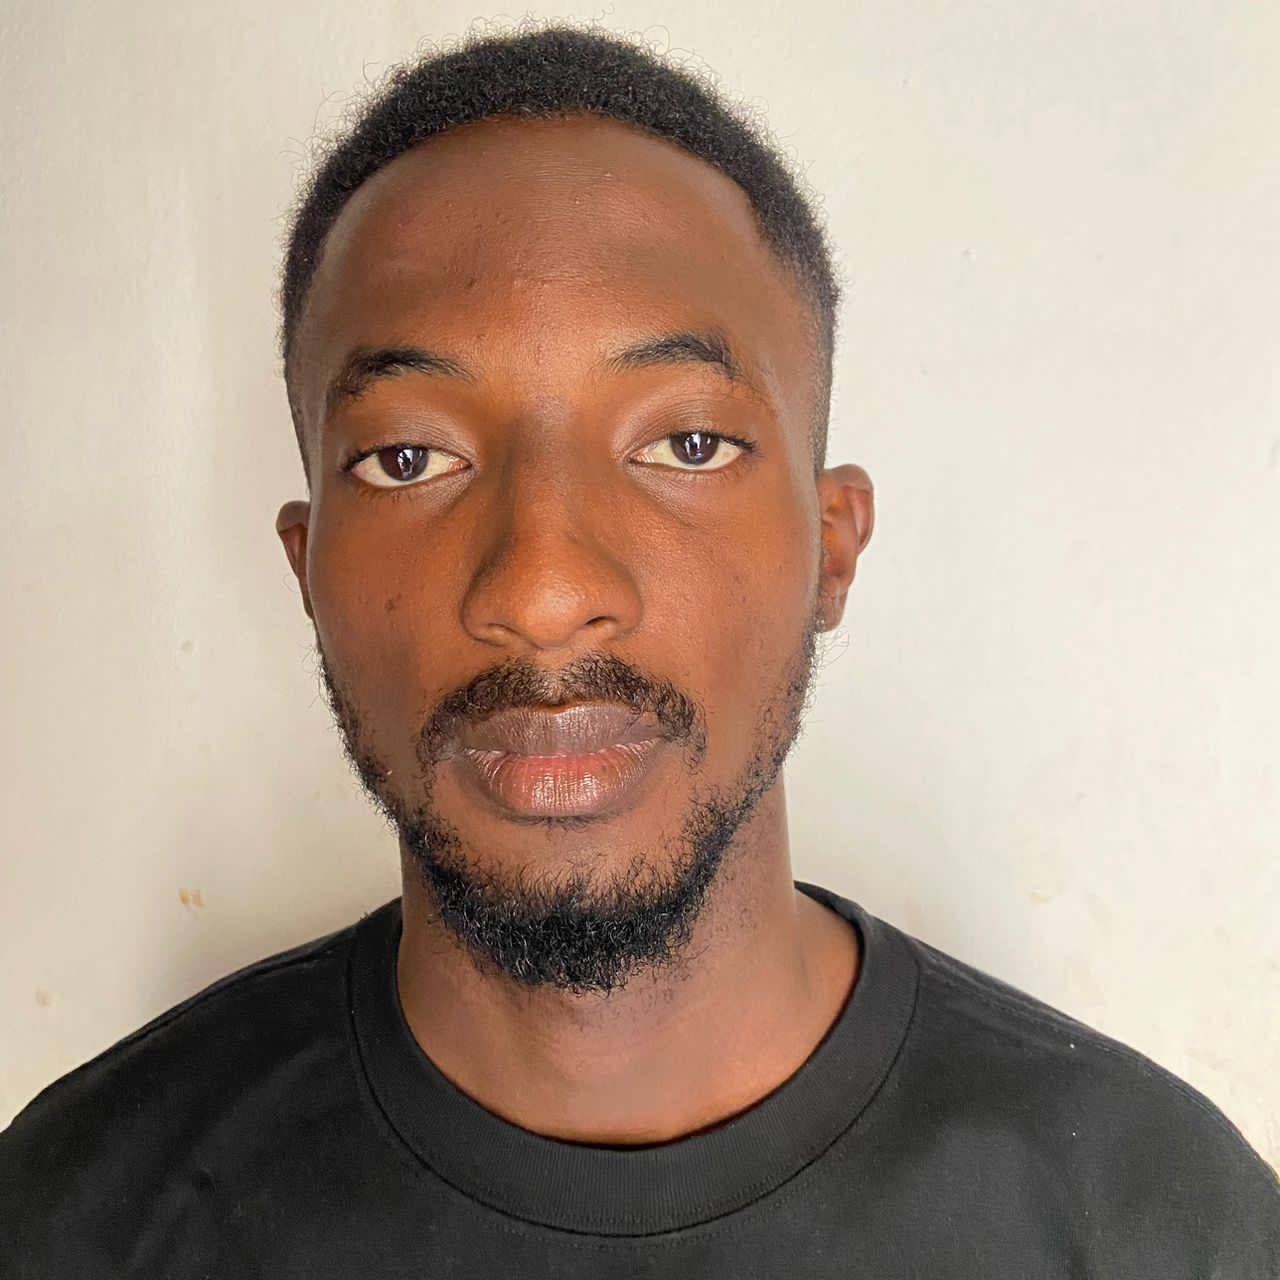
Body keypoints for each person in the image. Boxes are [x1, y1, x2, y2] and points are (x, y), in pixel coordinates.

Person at [2, 22, 1275, 1278]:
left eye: (684, 444)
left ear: (830, 550)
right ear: (306, 570)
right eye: (408, 456)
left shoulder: (1164, 1230)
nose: (544, 591)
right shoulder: (68, 1220)